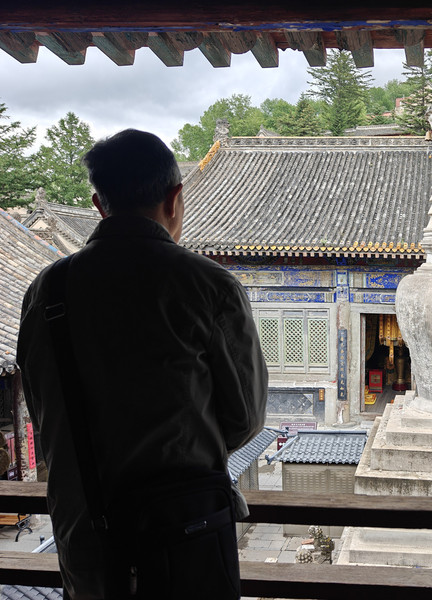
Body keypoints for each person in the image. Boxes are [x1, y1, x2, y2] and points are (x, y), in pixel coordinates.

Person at [18, 129, 268, 599]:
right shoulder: (208, 286)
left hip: (87, 538)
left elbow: (43, 411)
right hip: (183, 532)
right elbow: (245, 420)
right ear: (175, 198)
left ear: (99, 204)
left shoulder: (46, 292)